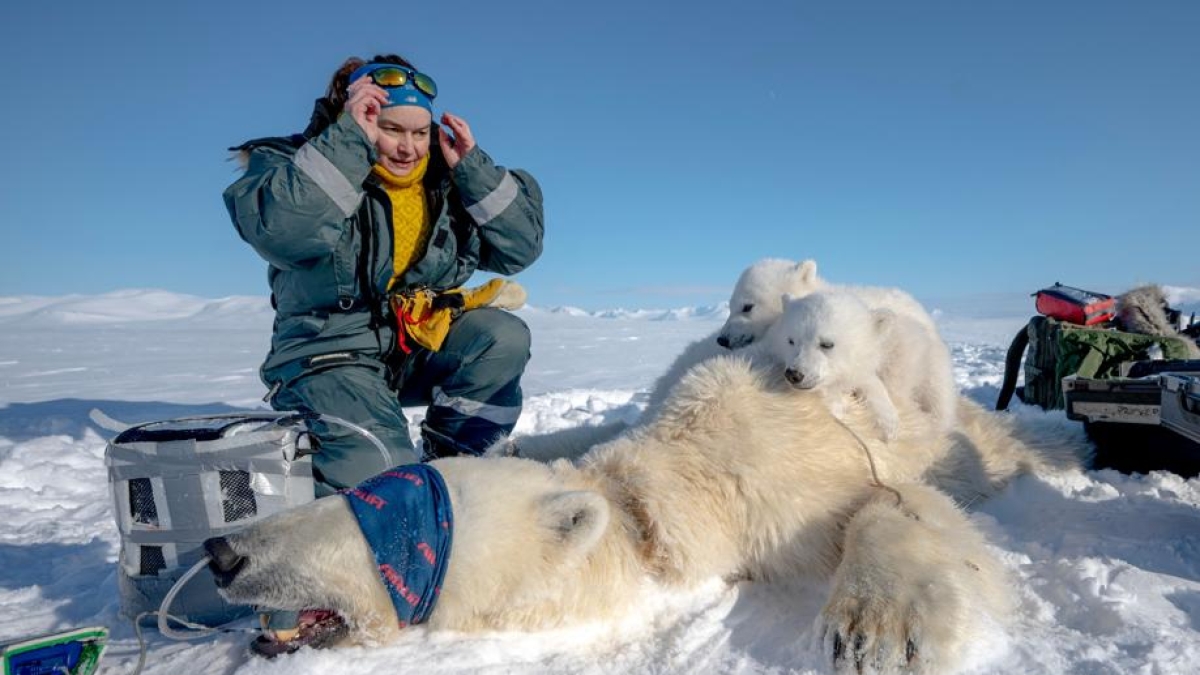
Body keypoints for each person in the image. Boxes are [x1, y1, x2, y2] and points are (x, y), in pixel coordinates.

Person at [223, 54, 544, 655]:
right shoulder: (291, 162)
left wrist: (472, 169)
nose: (406, 147)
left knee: (502, 337)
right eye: (389, 127)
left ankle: (453, 476)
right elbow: (284, 232)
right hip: (327, 351)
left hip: (410, 344)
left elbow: (520, 247)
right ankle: (332, 566)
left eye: (418, 132)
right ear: (356, 114)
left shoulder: (446, 181)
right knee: (384, 480)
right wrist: (350, 140)